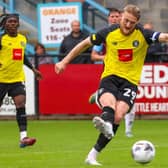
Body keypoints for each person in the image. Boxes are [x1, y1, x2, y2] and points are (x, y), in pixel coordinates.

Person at [55, 4, 168, 166]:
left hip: (130, 82)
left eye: (132, 23)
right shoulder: (108, 32)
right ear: (121, 16)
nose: (128, 25)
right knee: (109, 106)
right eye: (126, 20)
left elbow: (164, 37)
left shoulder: (143, 33)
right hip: (111, 77)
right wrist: (64, 61)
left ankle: (92, 154)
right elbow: (84, 44)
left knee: (119, 115)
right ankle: (104, 121)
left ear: (137, 22)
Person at [90, 7, 135, 138]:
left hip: (128, 71)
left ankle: (127, 130)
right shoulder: (104, 34)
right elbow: (93, 55)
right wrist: (108, 57)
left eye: (117, 16)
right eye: (112, 17)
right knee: (112, 101)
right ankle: (101, 101)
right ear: (108, 19)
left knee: (129, 103)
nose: (115, 19)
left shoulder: (130, 32)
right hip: (111, 71)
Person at [0, 14, 42, 148]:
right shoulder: (1, 39)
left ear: (18, 24)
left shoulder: (23, 39)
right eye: (10, 21)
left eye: (15, 22)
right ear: (5, 25)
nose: (12, 24)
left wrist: (33, 69)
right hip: (1, 79)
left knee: (20, 104)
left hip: (17, 78)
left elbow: (21, 56)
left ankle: (23, 138)